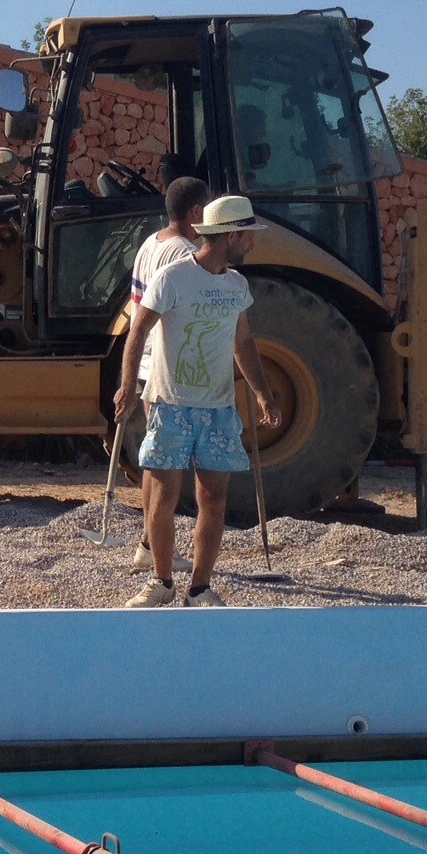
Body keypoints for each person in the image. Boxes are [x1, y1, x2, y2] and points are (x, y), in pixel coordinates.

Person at [112, 196, 279, 607]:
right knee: (166, 497)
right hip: (170, 404)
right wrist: (129, 384)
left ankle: (200, 587)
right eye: (248, 236)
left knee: (214, 498)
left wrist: (263, 393)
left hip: (218, 410)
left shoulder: (237, 285)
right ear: (231, 235)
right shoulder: (173, 277)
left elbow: (243, 342)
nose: (252, 245)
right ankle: (162, 581)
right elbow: (138, 332)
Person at [117, 176, 211, 568]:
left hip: (145, 366)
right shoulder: (186, 254)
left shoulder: (149, 244)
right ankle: (158, 551)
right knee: (167, 468)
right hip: (167, 368)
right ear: (195, 213)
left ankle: (146, 544)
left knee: (154, 462)